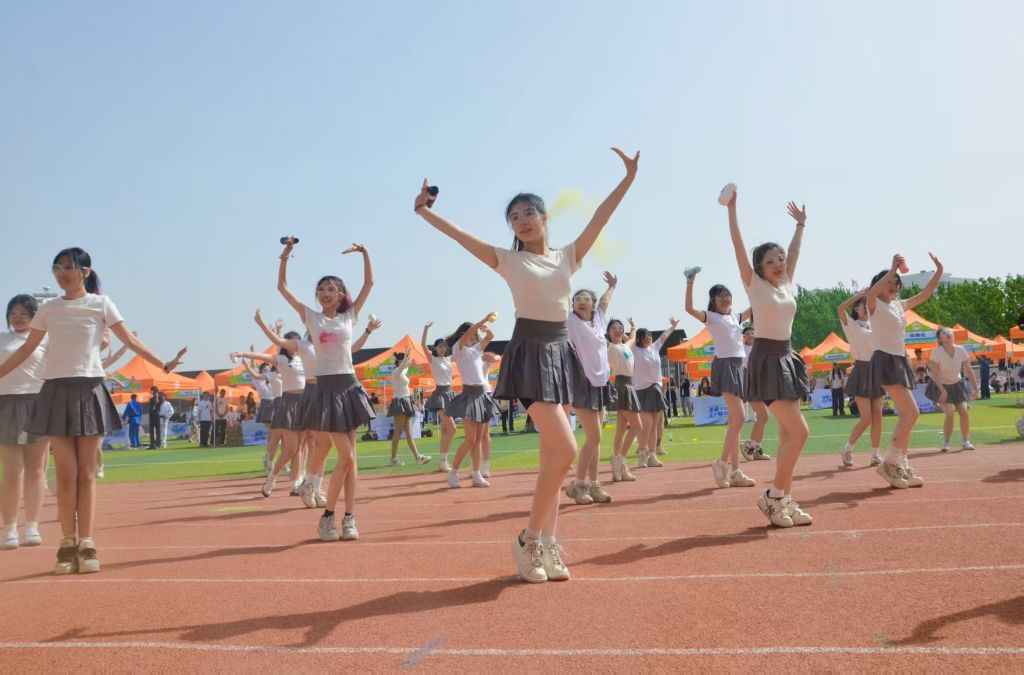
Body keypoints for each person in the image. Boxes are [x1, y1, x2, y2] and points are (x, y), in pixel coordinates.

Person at [414, 146, 639, 583]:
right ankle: (528, 539)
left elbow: (600, 217)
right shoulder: (508, 259)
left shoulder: (567, 256)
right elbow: (461, 236)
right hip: (529, 354)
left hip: (561, 354)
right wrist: (425, 212)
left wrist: (627, 178)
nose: (521, 220)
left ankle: (548, 544)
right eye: (514, 217)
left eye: (528, 213)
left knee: (553, 457)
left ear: (544, 217)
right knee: (567, 450)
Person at [0, 247, 185, 574]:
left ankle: (86, 543)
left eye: (67, 267)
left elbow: (129, 340)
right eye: (57, 268)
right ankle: (66, 543)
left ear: (85, 272)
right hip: (55, 391)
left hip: (89, 390)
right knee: (65, 474)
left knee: (86, 473)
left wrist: (164, 364)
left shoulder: (101, 304)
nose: (61, 274)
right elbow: (28, 349)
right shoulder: (49, 309)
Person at [278, 237, 375, 543]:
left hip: (350, 387)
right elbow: (282, 288)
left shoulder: (349, 317)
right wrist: (286, 255)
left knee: (351, 460)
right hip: (327, 390)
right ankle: (328, 517)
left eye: (331, 288)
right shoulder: (311, 317)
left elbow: (369, 283)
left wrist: (365, 253)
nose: (325, 293)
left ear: (341, 294)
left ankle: (349, 518)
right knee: (346, 456)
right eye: (320, 289)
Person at [725, 188, 812, 528]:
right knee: (800, 432)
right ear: (759, 267)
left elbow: (795, 251)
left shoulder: (786, 283)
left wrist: (800, 225)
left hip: (788, 357)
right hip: (766, 359)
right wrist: (732, 209)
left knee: (790, 435)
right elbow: (737, 244)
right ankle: (773, 497)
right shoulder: (754, 284)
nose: (778, 264)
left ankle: (784, 499)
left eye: (780, 259)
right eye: (771, 261)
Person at [866, 252, 944, 489]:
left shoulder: (899, 306)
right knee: (911, 413)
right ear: (879, 284)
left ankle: (902, 464)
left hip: (900, 359)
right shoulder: (873, 304)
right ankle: (891, 463)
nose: (893, 285)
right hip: (885, 359)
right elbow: (871, 293)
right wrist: (892, 269)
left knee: (907, 415)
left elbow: (925, 294)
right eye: (888, 282)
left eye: (896, 282)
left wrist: (939, 271)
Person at [684, 270, 755, 488]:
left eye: (727, 294)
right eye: (720, 295)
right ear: (713, 301)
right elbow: (689, 309)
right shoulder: (711, 317)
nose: (725, 298)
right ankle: (721, 463)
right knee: (740, 418)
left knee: (735, 422)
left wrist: (759, 283)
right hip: (725, 366)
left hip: (739, 366)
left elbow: (755, 305)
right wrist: (690, 282)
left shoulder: (736, 317)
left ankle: (735, 472)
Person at [232, 329, 309, 498]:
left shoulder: (303, 358)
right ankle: (272, 478)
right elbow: (262, 356)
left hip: (304, 404)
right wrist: (243, 354)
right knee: (290, 448)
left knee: (300, 448)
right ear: (286, 344)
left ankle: (295, 484)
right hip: (288, 404)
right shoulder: (280, 360)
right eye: (292, 343)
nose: (295, 346)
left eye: (297, 343)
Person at [563, 271, 618, 505]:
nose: (582, 300)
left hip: (601, 383)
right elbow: (559, 298)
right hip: (582, 383)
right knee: (594, 437)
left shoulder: (599, 320)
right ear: (572, 305)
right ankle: (578, 485)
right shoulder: (570, 321)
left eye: (586, 298)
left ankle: (594, 484)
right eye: (578, 298)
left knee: (596, 439)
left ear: (592, 304)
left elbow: (604, 301)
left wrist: (612, 286)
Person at [0, 294, 49, 550]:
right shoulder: (2, 339)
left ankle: (32, 526)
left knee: (36, 469)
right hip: (6, 403)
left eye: (23, 314)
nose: (17, 318)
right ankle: (9, 528)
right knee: (11, 470)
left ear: (34, 316)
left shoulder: (44, 339)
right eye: (13, 313)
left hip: (37, 403)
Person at [444, 319, 499, 488]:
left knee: (478, 440)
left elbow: (490, 336)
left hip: (482, 395)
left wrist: (485, 328)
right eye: (473, 333)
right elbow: (468, 333)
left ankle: (476, 474)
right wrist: (483, 320)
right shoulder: (458, 349)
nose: (475, 335)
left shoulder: (476, 349)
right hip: (468, 395)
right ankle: (453, 472)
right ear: (464, 334)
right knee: (469, 439)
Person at [837, 290, 884, 467]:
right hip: (861, 371)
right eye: (861, 305)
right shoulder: (851, 324)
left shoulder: (876, 324)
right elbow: (840, 309)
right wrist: (858, 296)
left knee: (878, 416)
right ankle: (848, 448)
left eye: (867, 304)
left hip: (877, 370)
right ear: (856, 308)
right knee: (866, 418)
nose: (865, 307)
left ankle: (875, 454)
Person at [630, 320, 679, 469]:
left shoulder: (654, 347)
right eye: (645, 336)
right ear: (639, 339)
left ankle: (652, 455)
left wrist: (673, 326)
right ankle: (642, 454)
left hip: (656, 389)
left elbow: (664, 336)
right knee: (646, 425)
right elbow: (629, 339)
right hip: (642, 390)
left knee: (654, 426)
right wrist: (633, 328)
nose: (648, 338)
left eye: (649, 336)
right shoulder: (634, 349)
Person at [926, 326, 980, 451]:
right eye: (944, 333)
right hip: (940, 385)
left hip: (957, 384)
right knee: (950, 413)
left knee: (964, 411)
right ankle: (946, 442)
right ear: (940, 339)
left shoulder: (961, 350)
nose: (948, 334)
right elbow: (935, 374)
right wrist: (943, 391)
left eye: (949, 332)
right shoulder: (936, 352)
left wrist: (976, 388)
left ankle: (966, 441)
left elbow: (969, 370)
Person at [607, 318, 642, 482]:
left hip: (629, 384)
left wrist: (633, 327)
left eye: (620, 327)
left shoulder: (626, 346)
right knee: (637, 427)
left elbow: (633, 337)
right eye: (613, 327)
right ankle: (620, 460)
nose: (617, 329)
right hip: (622, 384)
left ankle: (621, 470)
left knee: (621, 430)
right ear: (608, 332)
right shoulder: (610, 347)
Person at [421, 322, 457, 471]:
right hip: (440, 394)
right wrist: (426, 329)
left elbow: (460, 349)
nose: (443, 348)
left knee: (445, 431)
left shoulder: (448, 359)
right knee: (452, 429)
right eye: (440, 346)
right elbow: (423, 345)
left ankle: (442, 461)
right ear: (435, 348)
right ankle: (443, 460)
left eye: (444, 346)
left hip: (450, 393)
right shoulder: (433, 359)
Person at [387, 352, 432, 467]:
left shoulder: (403, 371)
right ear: (400, 361)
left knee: (409, 432)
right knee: (398, 431)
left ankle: (418, 457)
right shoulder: (396, 371)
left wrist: (413, 364)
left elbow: (419, 371)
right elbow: (402, 366)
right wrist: (406, 358)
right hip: (400, 401)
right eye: (406, 360)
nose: (407, 362)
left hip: (406, 400)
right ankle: (393, 459)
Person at [739, 326, 771, 461]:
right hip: (751, 383)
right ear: (744, 336)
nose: (751, 335)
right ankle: (749, 446)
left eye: (753, 332)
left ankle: (757, 449)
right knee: (764, 416)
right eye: (748, 333)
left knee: (763, 417)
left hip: (761, 384)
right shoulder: (741, 349)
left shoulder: (759, 348)